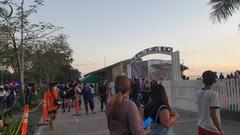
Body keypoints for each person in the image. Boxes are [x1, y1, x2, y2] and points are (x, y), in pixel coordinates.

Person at [197, 70, 224, 135]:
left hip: (201, 126)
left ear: (203, 80)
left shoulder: (199, 92)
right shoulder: (213, 94)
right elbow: (213, 115)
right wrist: (220, 130)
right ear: (214, 81)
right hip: (211, 129)